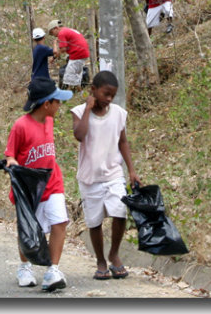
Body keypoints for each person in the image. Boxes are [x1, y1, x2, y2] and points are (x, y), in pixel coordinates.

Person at [5, 76, 73, 291]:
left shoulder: (50, 122)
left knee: (59, 222)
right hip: (29, 189)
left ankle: (52, 270)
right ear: (46, 104)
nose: (60, 105)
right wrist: (13, 164)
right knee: (29, 230)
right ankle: (24, 267)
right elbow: (10, 155)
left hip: (53, 182)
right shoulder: (21, 126)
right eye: (57, 101)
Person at [70, 71, 139, 281]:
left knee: (120, 212)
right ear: (93, 90)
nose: (108, 99)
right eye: (105, 94)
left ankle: (114, 254)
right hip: (90, 177)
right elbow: (79, 135)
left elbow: (123, 141)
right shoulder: (80, 111)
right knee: (94, 221)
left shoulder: (118, 113)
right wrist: (88, 109)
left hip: (113, 174)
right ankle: (100, 260)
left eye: (112, 95)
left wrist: (132, 170)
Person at [46, 19, 90, 91]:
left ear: (56, 28)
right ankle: (80, 93)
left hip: (77, 54)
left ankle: (68, 95)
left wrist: (54, 57)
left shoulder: (61, 33)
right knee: (75, 76)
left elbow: (63, 49)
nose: (53, 35)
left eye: (52, 32)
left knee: (68, 77)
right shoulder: (67, 30)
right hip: (83, 53)